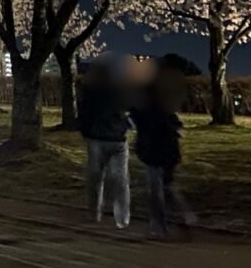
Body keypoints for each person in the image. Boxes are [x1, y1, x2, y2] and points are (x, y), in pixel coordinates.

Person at [130, 61, 197, 239]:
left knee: (156, 191)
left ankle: (159, 228)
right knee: (168, 185)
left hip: (154, 149)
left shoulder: (142, 101)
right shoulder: (162, 98)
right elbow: (173, 122)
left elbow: (141, 121)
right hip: (169, 148)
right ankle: (185, 215)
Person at [78, 58, 131, 229]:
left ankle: (94, 214)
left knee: (95, 178)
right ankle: (122, 218)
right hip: (117, 140)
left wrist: (86, 132)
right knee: (120, 180)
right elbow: (128, 112)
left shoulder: (89, 91)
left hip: (97, 139)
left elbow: (83, 114)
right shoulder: (119, 90)